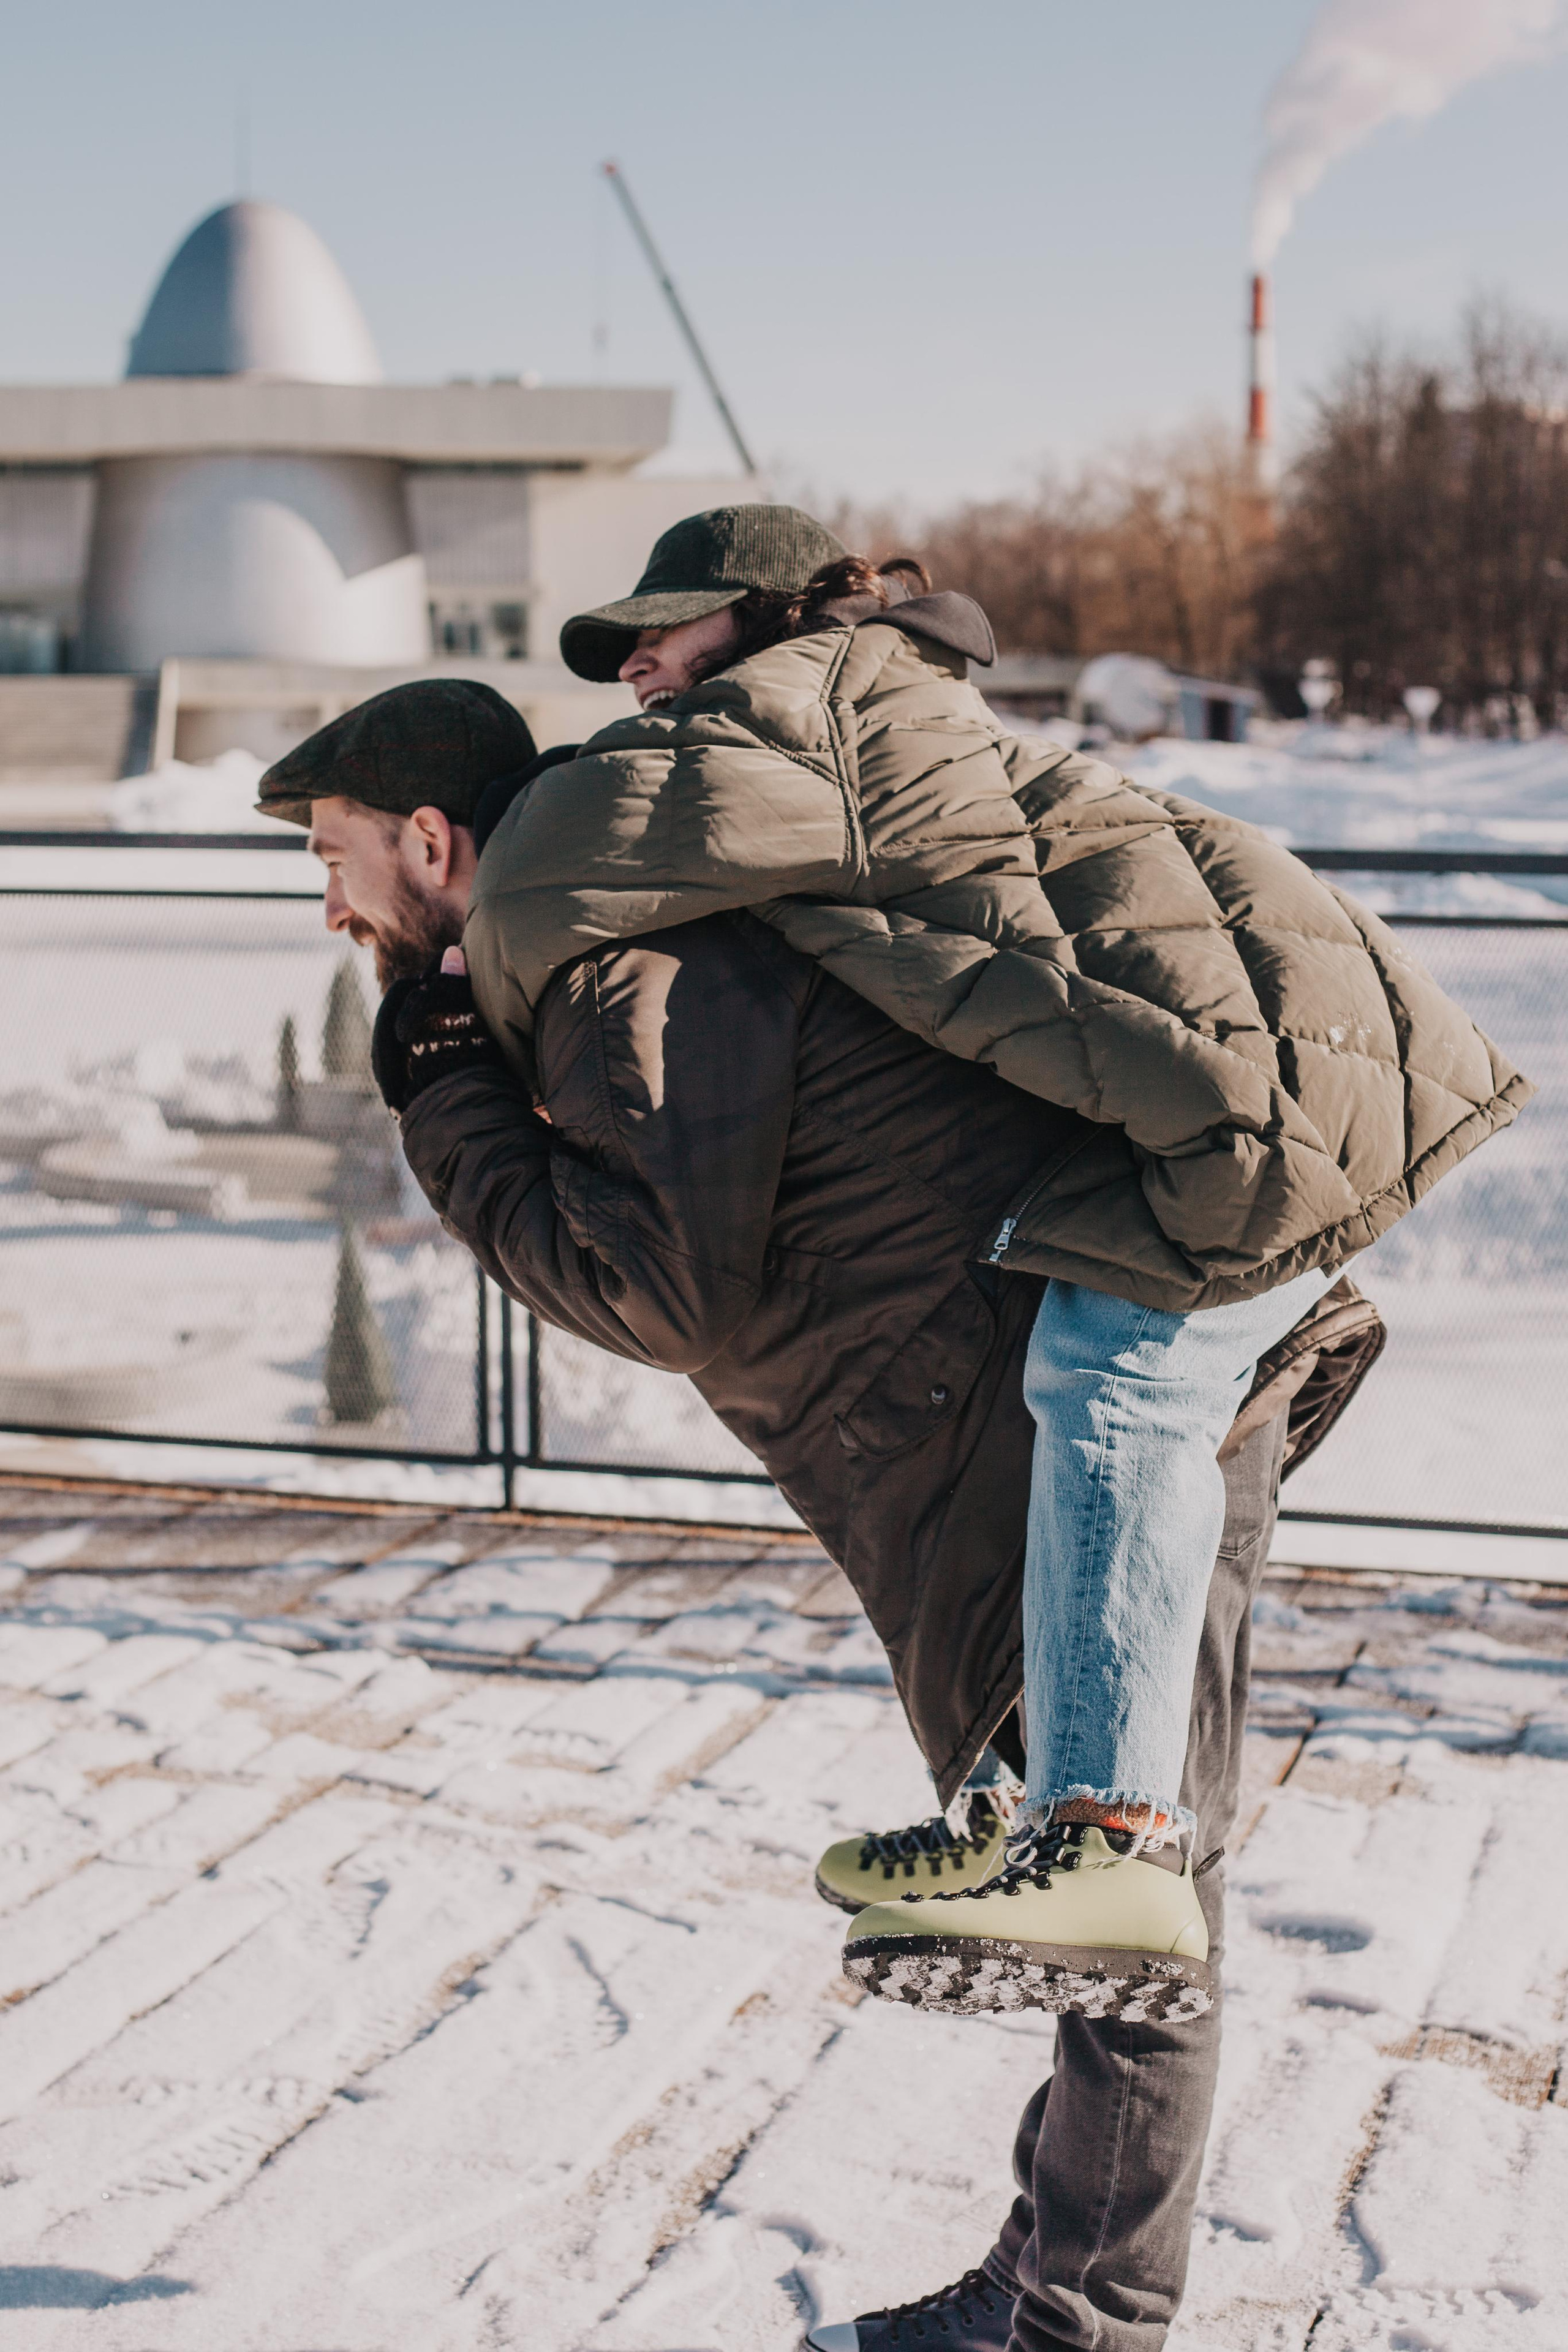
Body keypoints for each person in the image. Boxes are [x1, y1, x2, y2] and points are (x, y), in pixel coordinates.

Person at [259, 505, 1528, 2026]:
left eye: (664, 634)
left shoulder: (809, 714)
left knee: (1106, 1389)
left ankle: (1097, 1854)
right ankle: (1046, 1845)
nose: (638, 672)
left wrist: (461, 1037)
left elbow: (568, 866)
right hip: (1242, 1086)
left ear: (776, 614)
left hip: (1266, 1110)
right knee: (1087, 1441)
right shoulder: (830, 720)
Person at [259, 681, 1387, 2347]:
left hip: (1101, 1394)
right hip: (1016, 1404)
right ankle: (1048, 2289)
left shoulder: (613, 954)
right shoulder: (601, 927)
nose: (330, 903)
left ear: (433, 842)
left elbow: (655, 1289)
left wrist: (446, 1101)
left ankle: (1082, 2324)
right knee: (1101, 1868)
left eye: (339, 858)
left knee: (1139, 1881)